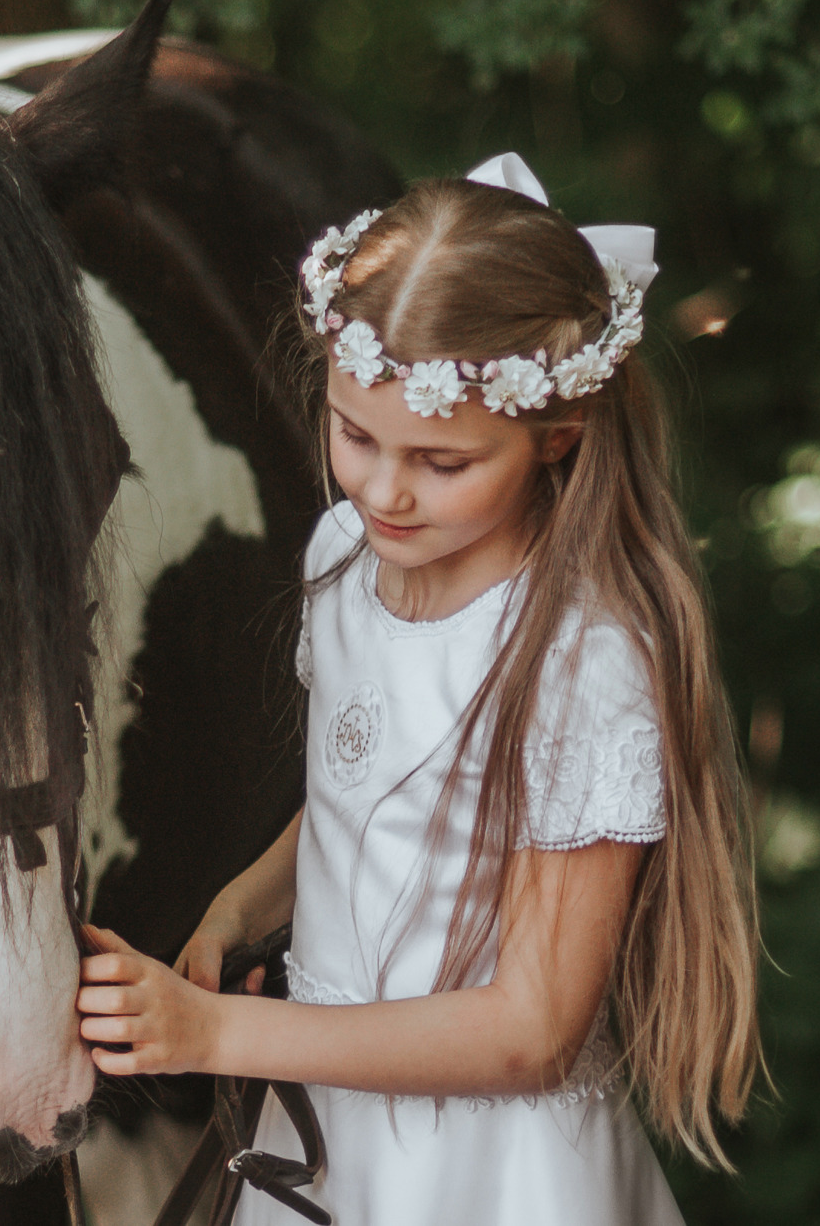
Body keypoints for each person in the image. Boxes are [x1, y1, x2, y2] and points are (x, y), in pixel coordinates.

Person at [76, 154, 762, 1224]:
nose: (384, 488)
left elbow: (531, 1028)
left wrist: (214, 1037)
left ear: (557, 435)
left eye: (440, 461)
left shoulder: (579, 657)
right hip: (330, 1123)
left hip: (490, 1170)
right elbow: (360, 798)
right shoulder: (343, 555)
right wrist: (239, 906)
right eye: (355, 434)